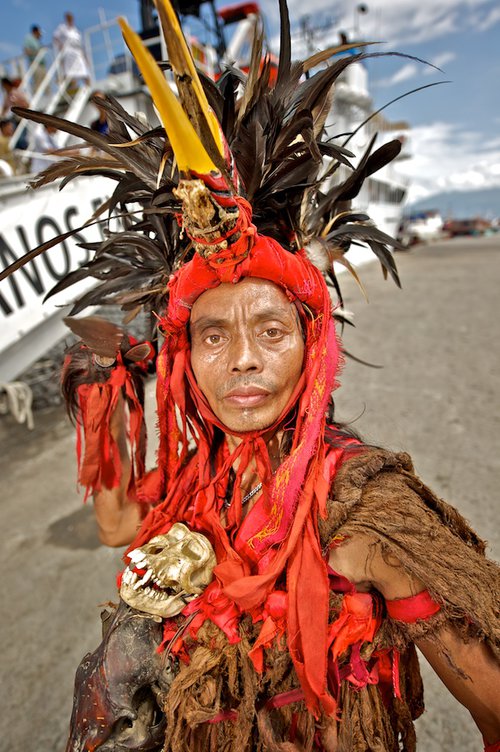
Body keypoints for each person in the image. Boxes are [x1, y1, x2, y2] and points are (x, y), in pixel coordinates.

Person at [4, 0, 499, 749]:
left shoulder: (366, 512)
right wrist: (103, 397)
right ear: (183, 357)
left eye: (271, 331)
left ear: (312, 346)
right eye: (212, 335)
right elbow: (115, 526)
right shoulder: (199, 481)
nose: (242, 358)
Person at [52, 12, 90, 90]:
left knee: (85, 72)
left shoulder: (76, 30)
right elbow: (55, 37)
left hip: (78, 53)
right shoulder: (62, 27)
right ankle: (73, 88)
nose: (70, 19)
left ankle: (89, 88)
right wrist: (60, 45)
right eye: (69, 18)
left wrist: (85, 58)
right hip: (68, 53)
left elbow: (81, 44)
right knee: (71, 74)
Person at [23, 24, 46, 93]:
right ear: (35, 31)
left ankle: (48, 97)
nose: (40, 34)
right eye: (39, 32)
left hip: (42, 65)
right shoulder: (28, 39)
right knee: (37, 83)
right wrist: (36, 53)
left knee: (45, 82)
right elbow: (26, 51)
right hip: (35, 64)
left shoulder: (38, 41)